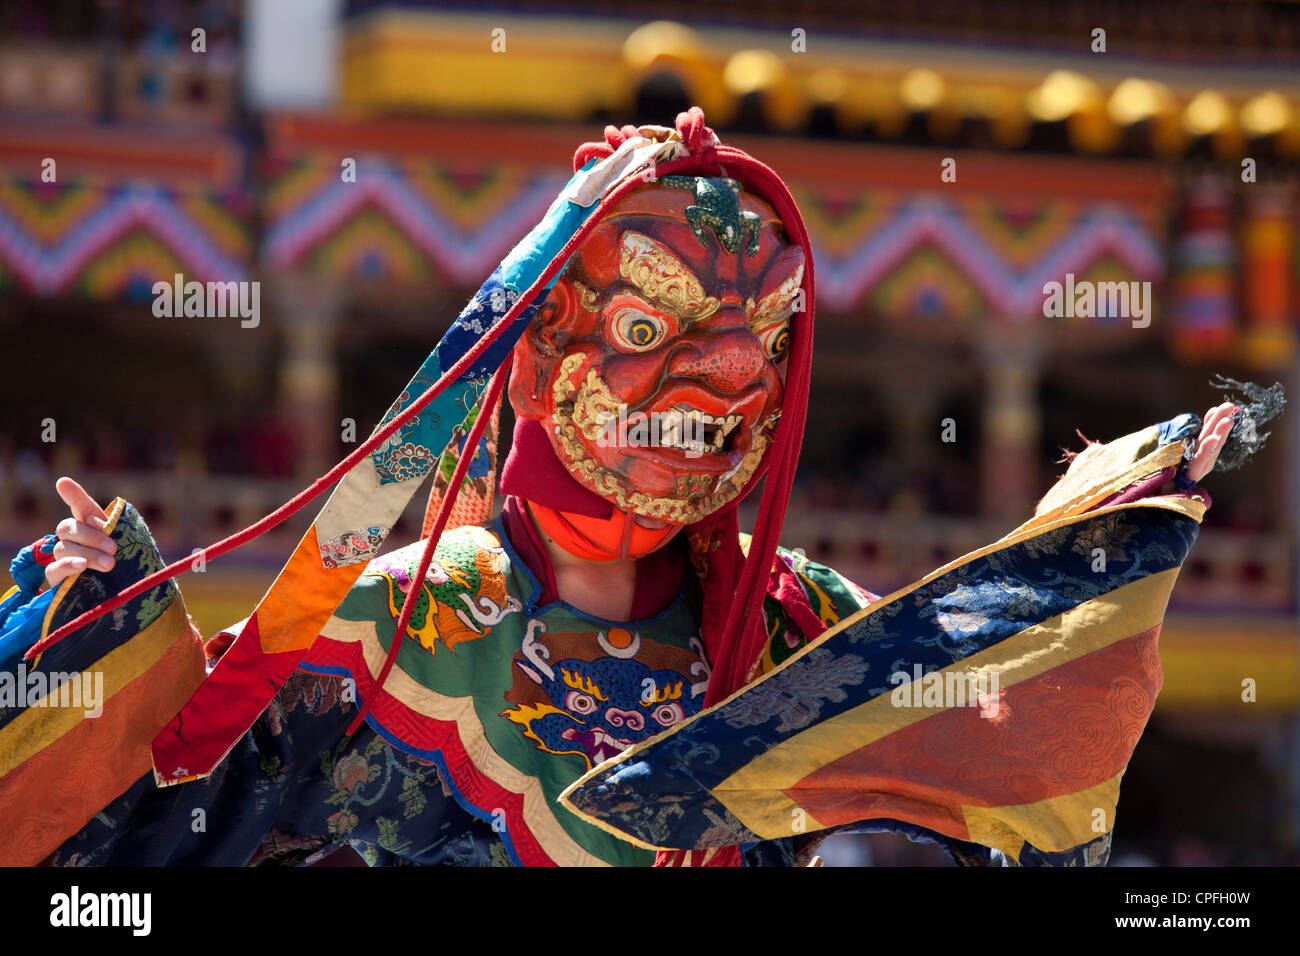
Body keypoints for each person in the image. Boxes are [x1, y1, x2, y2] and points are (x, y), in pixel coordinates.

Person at [14, 110, 1240, 867]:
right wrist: (101, 622)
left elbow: (992, 709)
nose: (719, 379)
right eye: (653, 322)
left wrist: (1104, 522)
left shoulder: (785, 621)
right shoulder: (398, 618)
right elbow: (169, 816)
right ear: (542, 350)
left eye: (760, 342)